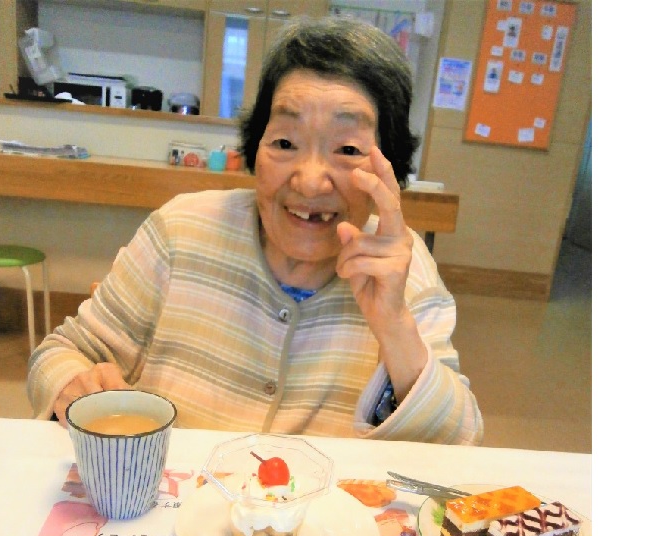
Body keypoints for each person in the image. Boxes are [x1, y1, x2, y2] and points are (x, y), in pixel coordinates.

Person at [27, 16, 483, 444]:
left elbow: (459, 440)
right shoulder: (180, 231)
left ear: (390, 165)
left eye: (347, 149)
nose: (309, 182)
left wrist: (395, 326)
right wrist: (73, 383)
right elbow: (60, 353)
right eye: (285, 142)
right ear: (255, 147)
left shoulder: (404, 271)